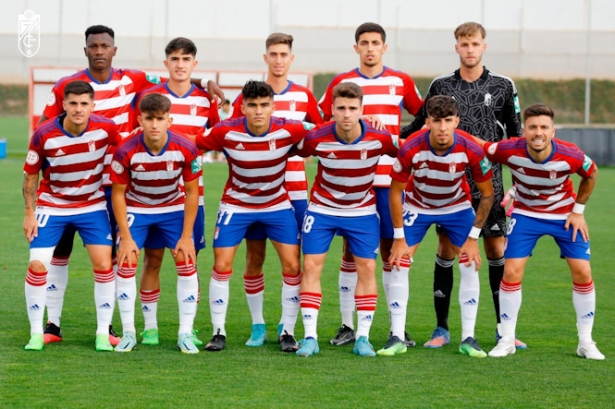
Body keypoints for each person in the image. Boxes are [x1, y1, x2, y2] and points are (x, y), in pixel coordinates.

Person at [37, 25, 223, 346]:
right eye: (93, 46)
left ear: (113, 50)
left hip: (118, 183)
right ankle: (53, 324)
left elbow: (173, 81)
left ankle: (108, 328)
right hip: (78, 183)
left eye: (104, 45)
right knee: (61, 251)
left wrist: (205, 83)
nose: (99, 50)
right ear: (86, 50)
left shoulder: (133, 79)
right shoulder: (67, 87)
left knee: (113, 256)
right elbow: (46, 129)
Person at [400, 22, 525, 349]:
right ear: (456, 47)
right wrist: (381, 133)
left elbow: (516, 139)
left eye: (475, 44)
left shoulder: (502, 85)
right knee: (447, 251)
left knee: (495, 250)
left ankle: (504, 329)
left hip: (489, 181)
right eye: (464, 44)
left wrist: (519, 186)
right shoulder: (441, 84)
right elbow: (416, 127)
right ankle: (441, 329)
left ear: (484, 46)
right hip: (447, 184)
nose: (469, 49)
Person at [318, 22, 423, 347]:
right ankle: (348, 326)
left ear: (384, 47)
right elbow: (322, 120)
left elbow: (422, 120)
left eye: (375, 42)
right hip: (354, 183)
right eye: (364, 42)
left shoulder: (401, 81)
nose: (369, 48)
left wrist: (396, 138)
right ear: (356, 48)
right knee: (352, 254)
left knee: (394, 253)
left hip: (389, 183)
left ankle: (397, 328)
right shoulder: (341, 83)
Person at [477, 104, 604, 360]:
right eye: (532, 127)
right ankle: (507, 339)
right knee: (511, 270)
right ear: (524, 130)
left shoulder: (571, 154)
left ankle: (585, 342)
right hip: (526, 214)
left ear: (553, 131)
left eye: (544, 127)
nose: (538, 132)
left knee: (583, 271)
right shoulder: (508, 149)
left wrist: (578, 211)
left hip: (564, 215)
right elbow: (480, 145)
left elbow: (591, 174)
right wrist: (452, 131)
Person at [194, 80, 309, 352]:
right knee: (222, 264)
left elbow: (326, 134)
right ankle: (222, 331)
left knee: (292, 266)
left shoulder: (289, 128)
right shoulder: (225, 131)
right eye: (253, 105)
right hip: (237, 205)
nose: (259, 111)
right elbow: (191, 142)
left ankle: (287, 332)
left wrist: (366, 122)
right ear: (242, 107)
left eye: (264, 105)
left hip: (276, 205)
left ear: (273, 106)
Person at [230, 33, 324, 346]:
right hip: (253, 194)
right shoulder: (250, 96)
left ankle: (288, 326)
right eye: (273, 54)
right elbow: (231, 133)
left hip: (294, 192)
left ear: (291, 59)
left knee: (292, 261)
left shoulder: (305, 97)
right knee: (254, 257)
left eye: (284, 54)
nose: (279, 59)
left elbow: (323, 133)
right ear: (266, 57)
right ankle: (258, 326)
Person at [295, 82, 399, 358]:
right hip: (322, 208)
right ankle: (309, 337)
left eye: (352, 108)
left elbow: (407, 153)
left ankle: (362, 338)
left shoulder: (380, 138)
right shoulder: (317, 137)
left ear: (362, 110)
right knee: (311, 266)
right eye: (340, 108)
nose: (346, 114)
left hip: (362, 210)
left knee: (366, 267)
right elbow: (293, 148)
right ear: (331, 109)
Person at [386, 95, 494, 358]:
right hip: (417, 205)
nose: (443, 127)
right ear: (428, 122)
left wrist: (473, 236)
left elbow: (488, 194)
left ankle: (469, 337)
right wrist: (399, 237)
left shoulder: (470, 148)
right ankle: (397, 336)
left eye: (448, 121)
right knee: (399, 261)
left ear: (457, 121)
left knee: (469, 262)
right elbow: (395, 191)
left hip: (456, 207)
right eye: (437, 121)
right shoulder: (411, 147)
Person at [131, 37, 220, 347]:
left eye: (186, 59)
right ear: (166, 63)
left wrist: (208, 85)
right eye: (174, 59)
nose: (180, 64)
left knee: (188, 260)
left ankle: (189, 328)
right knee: (152, 261)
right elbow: (135, 134)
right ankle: (150, 327)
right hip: (150, 196)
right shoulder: (149, 97)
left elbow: (216, 137)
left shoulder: (206, 101)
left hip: (192, 196)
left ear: (194, 63)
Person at [22, 80, 120, 351]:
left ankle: (102, 333)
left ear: (92, 106)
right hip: (52, 206)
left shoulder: (106, 129)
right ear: (63, 105)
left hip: (92, 206)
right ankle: (37, 333)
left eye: (84, 104)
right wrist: (29, 212)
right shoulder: (44, 134)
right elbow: (31, 177)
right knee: (38, 265)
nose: (78, 109)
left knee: (103, 265)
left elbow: (126, 152)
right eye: (73, 103)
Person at [110, 93, 201, 354]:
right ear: (140, 119)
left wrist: (186, 236)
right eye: (148, 119)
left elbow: (192, 192)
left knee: (186, 260)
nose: (154, 125)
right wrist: (125, 237)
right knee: (127, 261)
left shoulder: (185, 148)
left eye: (160, 119)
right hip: (137, 208)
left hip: (172, 208)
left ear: (169, 120)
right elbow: (118, 194)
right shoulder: (126, 150)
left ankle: (185, 332)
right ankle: (131, 332)